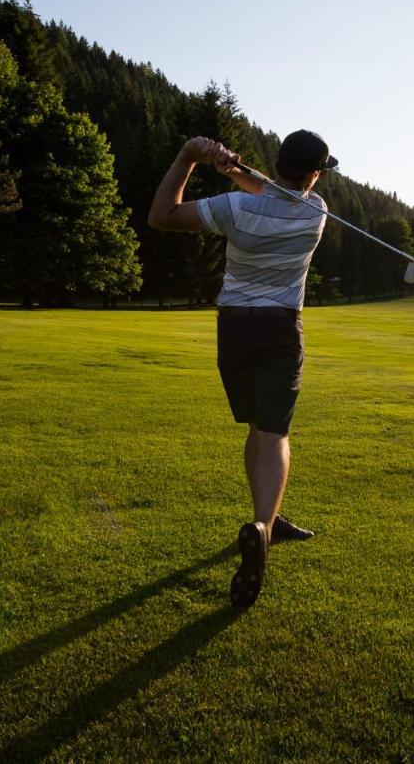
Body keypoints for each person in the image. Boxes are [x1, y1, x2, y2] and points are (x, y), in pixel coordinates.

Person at [147, 130, 337, 609]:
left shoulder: (234, 208)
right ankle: (262, 527)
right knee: (273, 433)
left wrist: (190, 157)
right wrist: (229, 168)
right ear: (314, 174)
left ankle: (266, 522)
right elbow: (277, 191)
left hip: (234, 327)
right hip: (280, 329)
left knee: (256, 426)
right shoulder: (316, 212)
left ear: (278, 162)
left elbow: (162, 215)